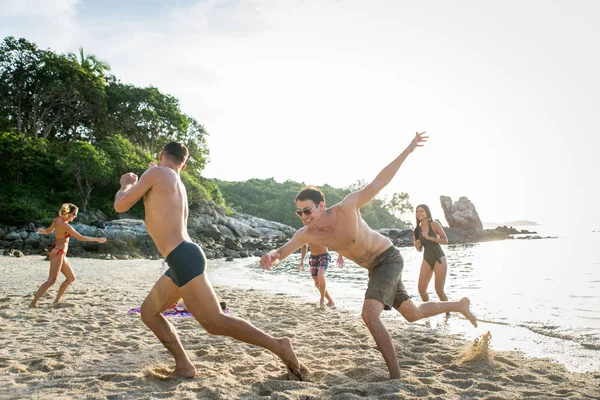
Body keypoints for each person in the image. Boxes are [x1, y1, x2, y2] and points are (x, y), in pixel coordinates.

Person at [260, 132, 477, 380]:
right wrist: (271, 256)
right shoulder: (307, 234)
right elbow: (282, 251)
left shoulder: (347, 207)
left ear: (321, 206)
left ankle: (396, 376)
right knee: (412, 314)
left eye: (307, 210)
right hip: (375, 269)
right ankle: (459, 305)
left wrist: (408, 150)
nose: (304, 216)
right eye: (299, 213)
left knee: (368, 314)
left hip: (388, 258)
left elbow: (379, 181)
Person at [113, 142, 307, 379]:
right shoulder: (172, 180)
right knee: (149, 312)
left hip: (183, 257)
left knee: (215, 322)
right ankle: (184, 365)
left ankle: (279, 345)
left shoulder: (156, 173)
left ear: (161, 155)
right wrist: (151, 174)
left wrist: (127, 184)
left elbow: (120, 205)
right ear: (183, 165)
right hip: (181, 258)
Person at [30, 203, 107, 308]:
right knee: (52, 280)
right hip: (58, 253)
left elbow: (49, 230)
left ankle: (56, 301)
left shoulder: (57, 220)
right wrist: (97, 239)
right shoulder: (65, 225)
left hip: (59, 253)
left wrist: (42, 232)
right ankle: (33, 303)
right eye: (73, 214)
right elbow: (80, 237)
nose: (75, 216)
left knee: (70, 278)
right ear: (68, 213)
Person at [297, 222, 344, 309]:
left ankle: (322, 300)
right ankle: (330, 301)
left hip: (324, 256)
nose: (305, 224)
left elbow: (336, 242)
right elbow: (304, 247)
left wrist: (340, 256)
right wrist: (301, 261)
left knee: (321, 276)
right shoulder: (305, 233)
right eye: (304, 223)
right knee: (316, 283)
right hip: (313, 257)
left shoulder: (322, 231)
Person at [413, 204, 449, 302]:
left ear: (427, 213)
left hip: (439, 257)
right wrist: (417, 246)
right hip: (427, 258)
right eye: (417, 211)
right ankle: (427, 311)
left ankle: (448, 314)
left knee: (439, 290)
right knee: (421, 290)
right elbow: (420, 249)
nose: (419, 213)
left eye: (422, 211)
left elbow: (445, 240)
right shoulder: (416, 230)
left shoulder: (434, 224)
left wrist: (430, 238)